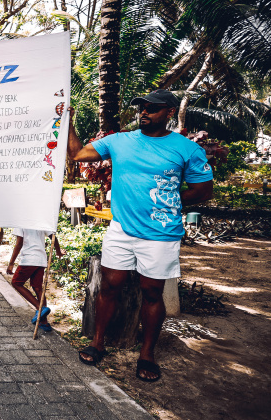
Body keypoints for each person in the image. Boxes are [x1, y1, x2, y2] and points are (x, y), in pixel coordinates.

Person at [67, 89, 213, 382]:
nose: (144, 112)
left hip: (161, 234)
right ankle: (98, 342)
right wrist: (67, 121)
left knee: (151, 292)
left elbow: (203, 190)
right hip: (121, 229)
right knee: (109, 286)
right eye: (141, 107)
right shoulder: (120, 141)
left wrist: (168, 200)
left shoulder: (186, 149)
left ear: (169, 112)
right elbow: (78, 154)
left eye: (153, 108)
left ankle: (147, 354)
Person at [6, 229, 63, 331]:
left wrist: (11, 264)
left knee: (16, 283)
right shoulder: (41, 219)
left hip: (28, 259)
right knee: (38, 288)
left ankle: (40, 307)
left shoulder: (21, 220)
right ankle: (44, 322)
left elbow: (19, 243)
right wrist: (58, 251)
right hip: (40, 259)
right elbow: (53, 237)